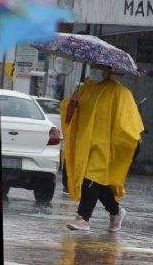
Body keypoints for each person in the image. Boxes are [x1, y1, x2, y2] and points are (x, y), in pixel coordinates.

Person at [59, 65, 144, 231]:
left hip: (106, 146)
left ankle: (83, 219)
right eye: (94, 66)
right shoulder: (85, 90)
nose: (95, 69)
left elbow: (128, 122)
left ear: (109, 70)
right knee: (98, 182)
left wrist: (126, 145)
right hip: (85, 145)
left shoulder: (120, 92)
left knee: (91, 178)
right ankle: (116, 212)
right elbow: (69, 117)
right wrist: (72, 104)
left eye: (99, 67)